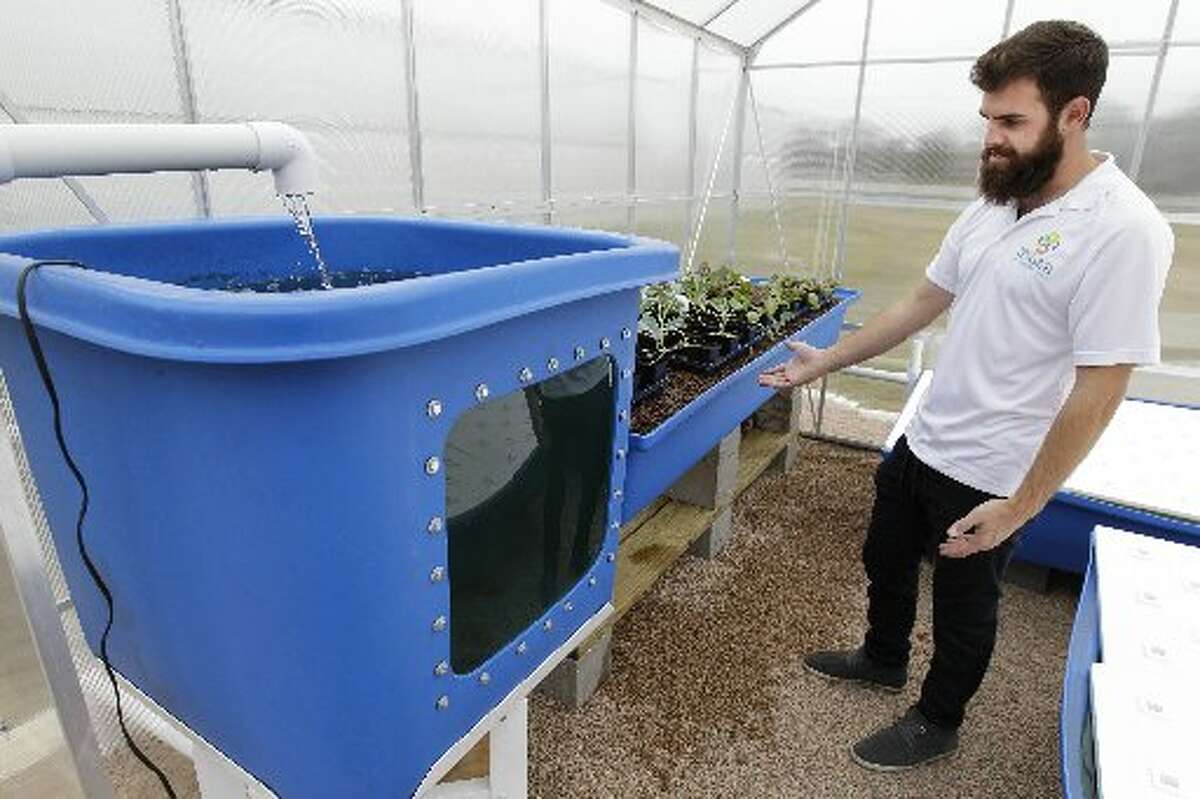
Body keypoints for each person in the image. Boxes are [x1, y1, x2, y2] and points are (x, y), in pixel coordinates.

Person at [759, 19, 1174, 771]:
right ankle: (882, 656)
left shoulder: (1123, 229)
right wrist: (828, 361)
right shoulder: (995, 200)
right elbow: (922, 300)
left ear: (1075, 114)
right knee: (884, 555)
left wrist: (1022, 505)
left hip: (993, 469)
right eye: (988, 118)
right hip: (926, 436)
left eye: (1012, 121)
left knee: (965, 605)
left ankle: (938, 716)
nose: (992, 137)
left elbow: (1102, 384)